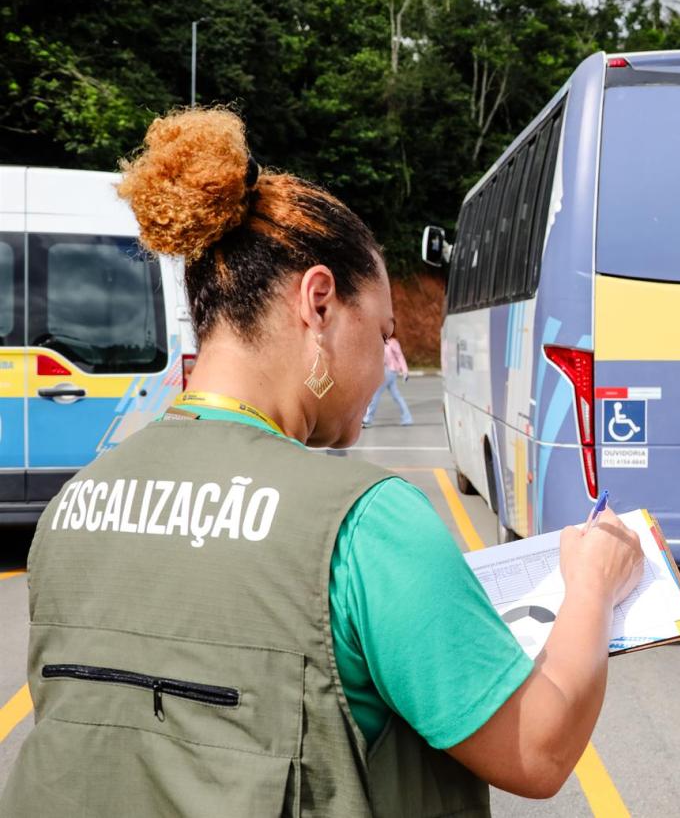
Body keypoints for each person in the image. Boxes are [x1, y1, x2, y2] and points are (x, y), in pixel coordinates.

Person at [0, 107, 644, 818]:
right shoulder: (366, 522)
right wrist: (593, 583)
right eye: (382, 331)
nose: (379, 370)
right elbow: (539, 749)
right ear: (318, 302)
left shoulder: (74, 504)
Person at [364, 332, 413, 426]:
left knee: (375, 394)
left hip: (389, 371)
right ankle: (407, 418)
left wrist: (405, 371)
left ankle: (367, 419)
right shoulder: (381, 342)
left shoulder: (393, 342)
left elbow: (400, 356)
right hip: (387, 371)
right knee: (397, 396)